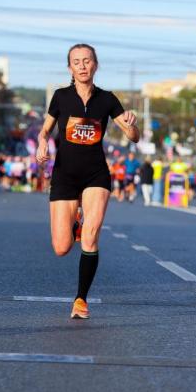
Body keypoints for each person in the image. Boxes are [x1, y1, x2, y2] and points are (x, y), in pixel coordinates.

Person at [36, 43, 140, 320]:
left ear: (96, 65)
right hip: (65, 175)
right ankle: (75, 224)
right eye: (76, 62)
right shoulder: (60, 97)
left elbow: (133, 137)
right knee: (61, 247)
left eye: (87, 60)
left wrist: (131, 124)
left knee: (91, 236)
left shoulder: (107, 99)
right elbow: (44, 131)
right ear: (69, 68)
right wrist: (42, 143)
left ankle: (81, 299)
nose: (82, 66)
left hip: (96, 175)